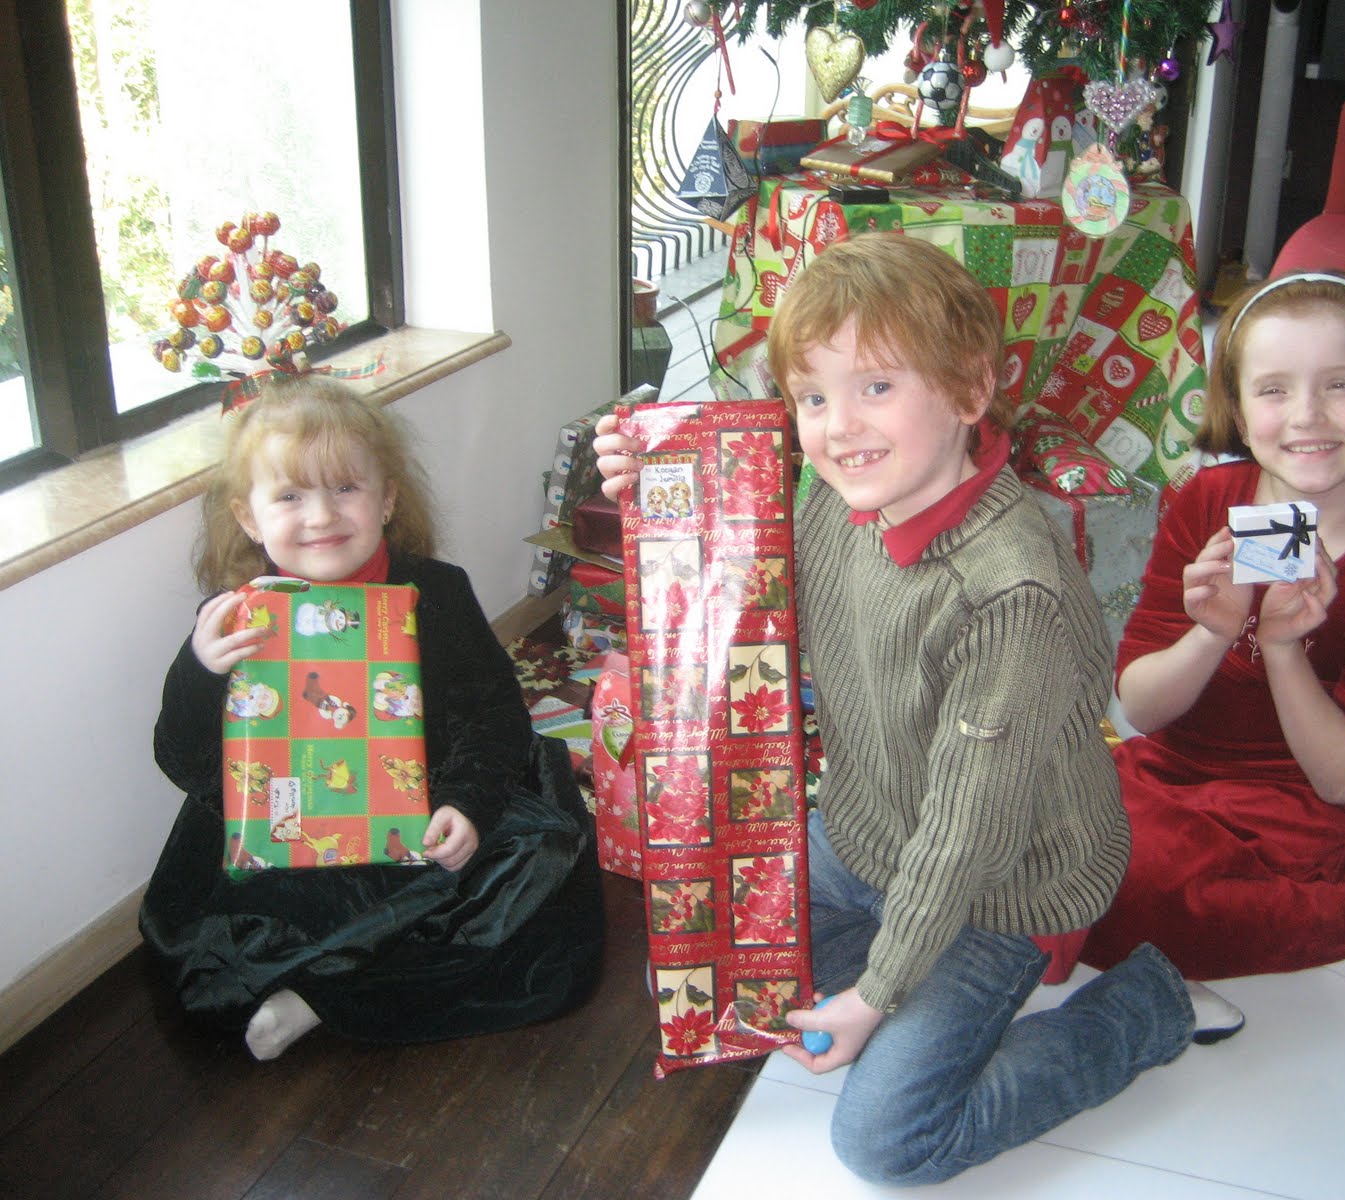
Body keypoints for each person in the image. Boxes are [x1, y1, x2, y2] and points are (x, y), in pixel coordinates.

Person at [595, 233, 1240, 1187]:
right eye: (813, 397)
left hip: (998, 885)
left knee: (886, 1141)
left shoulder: (1009, 594)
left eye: (878, 387)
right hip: (863, 836)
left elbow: (964, 833)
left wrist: (880, 995)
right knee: (700, 977)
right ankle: (887, 974)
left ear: (972, 391)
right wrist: (656, 492)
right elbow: (738, 593)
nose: (838, 426)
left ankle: (1144, 1004)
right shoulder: (840, 498)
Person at [1078, 271, 1345, 1038]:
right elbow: (1141, 712)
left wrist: (1284, 650)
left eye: (1340, 385)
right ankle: (1339, 940)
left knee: (1137, 896)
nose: (1307, 416)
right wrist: (1212, 632)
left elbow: (1343, 780)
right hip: (1170, 774)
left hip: (1297, 806)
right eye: (1274, 389)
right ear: (1239, 409)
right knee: (1052, 857)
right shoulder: (1208, 503)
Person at [139, 376, 605, 1061]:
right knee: (213, 960)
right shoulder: (236, 620)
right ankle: (337, 984)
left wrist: (466, 806)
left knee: (547, 891)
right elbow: (183, 758)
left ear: (386, 500)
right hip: (293, 833)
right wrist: (200, 670)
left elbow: (493, 716)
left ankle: (320, 998)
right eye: (290, 496)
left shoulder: (436, 591)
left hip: (425, 809)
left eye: (345, 489)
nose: (321, 516)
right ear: (248, 518)